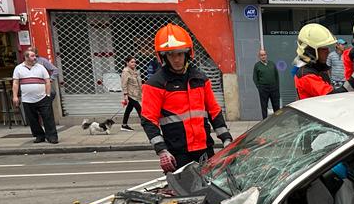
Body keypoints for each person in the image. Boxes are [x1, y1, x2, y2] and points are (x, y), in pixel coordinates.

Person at [141, 24, 233, 173]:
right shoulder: (156, 84)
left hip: (204, 149)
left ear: (187, 53)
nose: (176, 59)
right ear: (163, 56)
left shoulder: (200, 79)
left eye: (179, 54)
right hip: (177, 153)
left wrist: (226, 138)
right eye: (171, 55)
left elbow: (214, 111)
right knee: (182, 194)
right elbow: (149, 120)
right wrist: (162, 151)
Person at [294, 23, 354, 100]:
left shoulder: (316, 69)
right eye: (324, 49)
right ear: (311, 51)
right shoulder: (306, 76)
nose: (328, 52)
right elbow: (332, 97)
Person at [12, 49, 56, 143]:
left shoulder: (40, 67)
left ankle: (52, 136)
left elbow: (47, 81)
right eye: (32, 56)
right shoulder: (18, 68)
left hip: (42, 97)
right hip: (27, 99)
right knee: (33, 119)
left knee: (48, 117)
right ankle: (39, 136)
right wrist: (15, 96)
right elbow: (16, 83)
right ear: (26, 57)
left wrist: (47, 95)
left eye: (35, 56)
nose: (35, 58)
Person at [252, 48, 281, 119]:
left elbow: (276, 76)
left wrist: (277, 87)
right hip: (263, 88)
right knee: (264, 105)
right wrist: (259, 87)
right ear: (259, 56)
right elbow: (255, 78)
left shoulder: (272, 64)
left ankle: (277, 120)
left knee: (276, 105)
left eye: (264, 55)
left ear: (266, 55)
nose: (263, 56)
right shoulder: (257, 65)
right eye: (261, 55)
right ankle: (264, 120)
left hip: (274, 88)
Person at [120, 56, 142, 130]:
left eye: (134, 62)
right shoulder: (126, 72)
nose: (134, 63)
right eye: (132, 62)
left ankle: (124, 125)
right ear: (127, 63)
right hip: (130, 94)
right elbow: (124, 84)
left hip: (135, 93)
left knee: (129, 109)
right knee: (139, 109)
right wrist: (125, 95)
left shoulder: (134, 71)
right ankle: (146, 124)